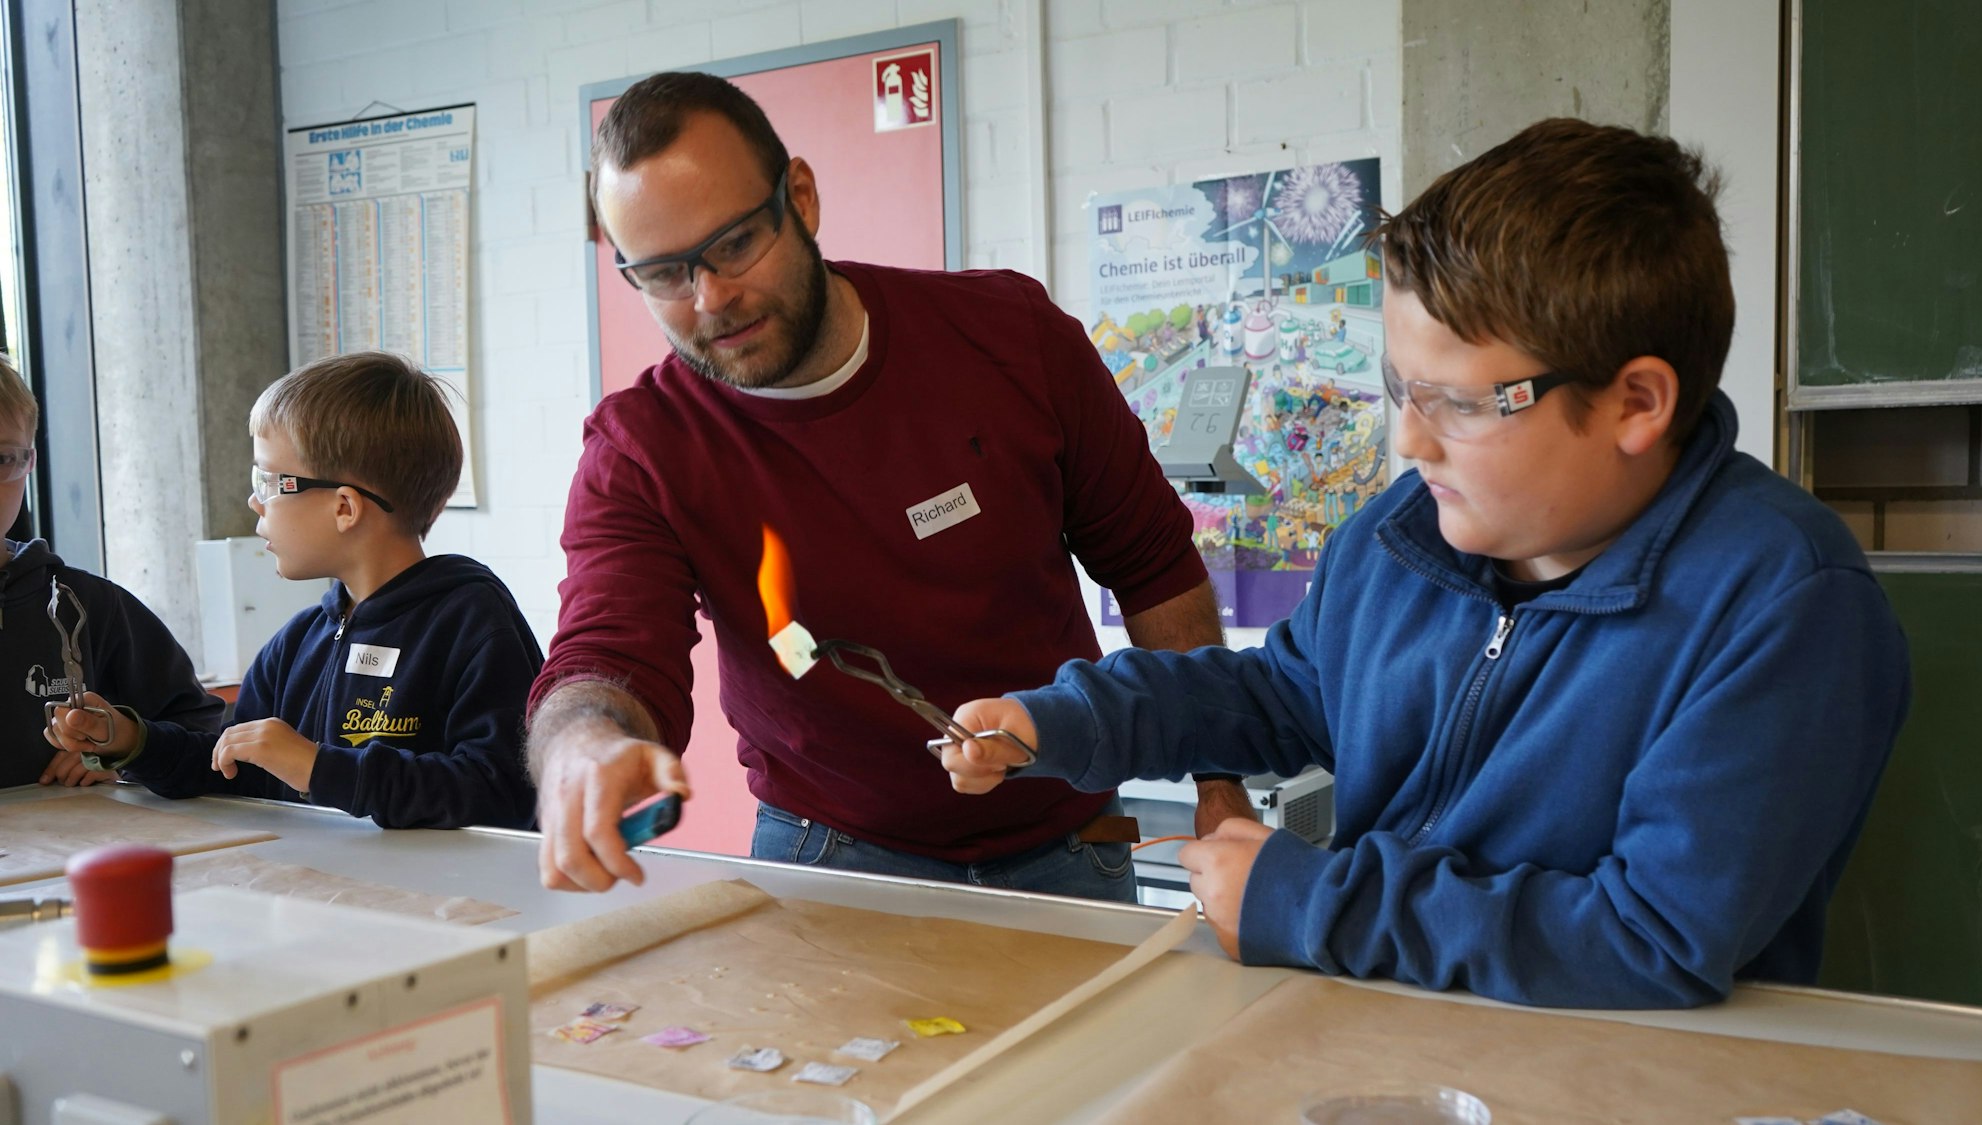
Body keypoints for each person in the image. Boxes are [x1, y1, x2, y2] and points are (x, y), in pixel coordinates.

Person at [936, 119, 1911, 1009]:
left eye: (1452, 402)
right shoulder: (1400, 535)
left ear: (1634, 404)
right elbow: (1275, 697)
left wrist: (1308, 901)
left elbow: (1648, 938)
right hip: (1386, 1036)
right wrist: (1061, 721)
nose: (1407, 440)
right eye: (1397, 387)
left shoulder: (1780, 604)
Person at [529, 71, 1246, 900]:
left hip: (1070, 841)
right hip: (828, 854)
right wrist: (581, 746)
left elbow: (1154, 564)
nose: (710, 297)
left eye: (733, 244)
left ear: (801, 196)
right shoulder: (644, 446)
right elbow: (606, 654)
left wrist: (1218, 780)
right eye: (663, 274)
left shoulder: (1011, 339)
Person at [47, 352, 542, 830]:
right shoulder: (299, 641)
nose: (253, 501)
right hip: (320, 895)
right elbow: (232, 766)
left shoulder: (472, 623)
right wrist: (132, 740)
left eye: (269, 481)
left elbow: (500, 792)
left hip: (452, 907)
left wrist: (318, 768)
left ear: (345, 508)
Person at [0, 355, 222, 789]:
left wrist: (125, 754)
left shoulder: (90, 605)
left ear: (29, 463)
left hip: (68, 848)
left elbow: (201, 733)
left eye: (2, 458)